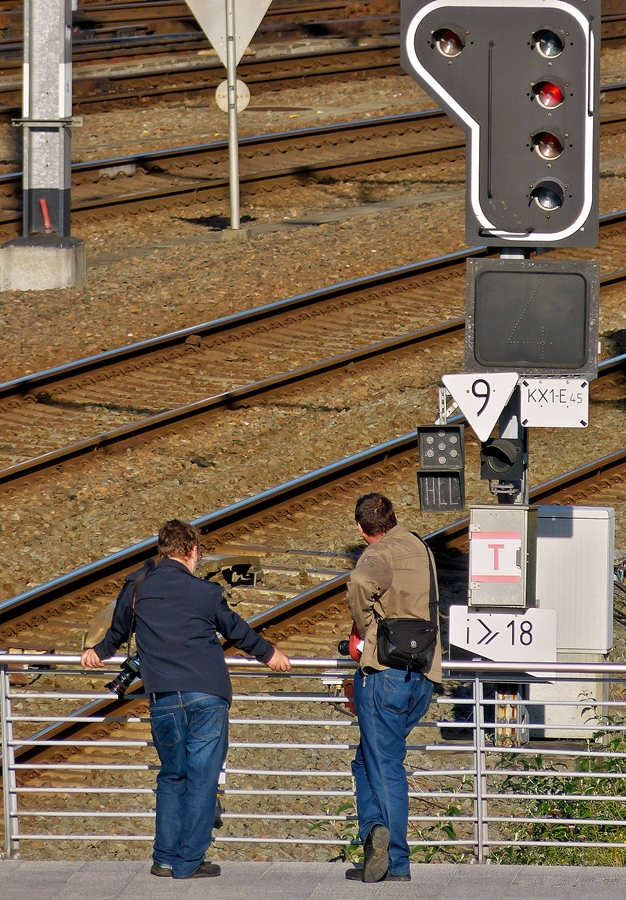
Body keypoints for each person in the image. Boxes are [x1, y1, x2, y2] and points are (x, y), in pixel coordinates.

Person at [81, 519, 291, 880]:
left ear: (162, 550)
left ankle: (164, 859)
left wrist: (96, 652)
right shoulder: (205, 592)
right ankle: (189, 862)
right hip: (207, 694)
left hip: (163, 697)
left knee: (172, 776)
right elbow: (236, 630)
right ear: (193, 551)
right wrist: (269, 653)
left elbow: (116, 632)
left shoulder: (137, 587)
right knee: (202, 778)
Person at [344, 493, 442, 883]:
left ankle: (396, 861)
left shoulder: (378, 552)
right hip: (421, 674)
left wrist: (367, 625)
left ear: (361, 528)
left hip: (385, 674)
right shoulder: (419, 546)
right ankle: (373, 837)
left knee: (384, 766)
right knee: (367, 760)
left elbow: (359, 582)